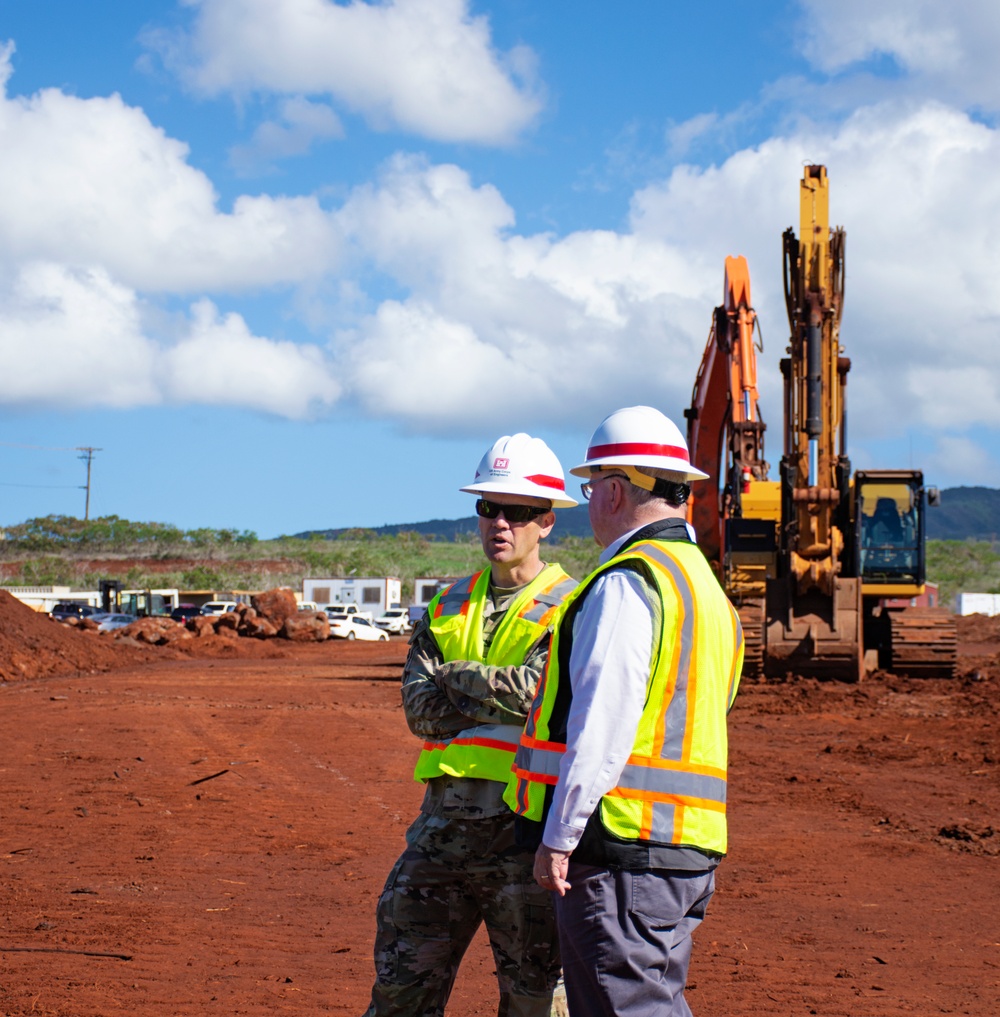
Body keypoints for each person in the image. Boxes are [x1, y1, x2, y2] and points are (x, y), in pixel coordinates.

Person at [507, 406, 744, 1017]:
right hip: (686, 849)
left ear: (613, 490)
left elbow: (602, 727)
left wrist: (558, 837)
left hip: (618, 848)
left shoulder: (627, 581)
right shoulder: (706, 590)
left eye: (589, 490)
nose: (589, 503)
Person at [363, 433, 579, 1017]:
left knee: (536, 1003)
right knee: (400, 996)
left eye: (518, 510)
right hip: (440, 833)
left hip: (528, 836)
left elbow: (541, 700)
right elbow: (419, 710)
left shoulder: (573, 606)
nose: (500, 523)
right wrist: (494, 685)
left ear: (548, 522)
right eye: (488, 507)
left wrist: (455, 673)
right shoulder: (446, 606)